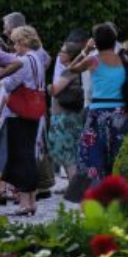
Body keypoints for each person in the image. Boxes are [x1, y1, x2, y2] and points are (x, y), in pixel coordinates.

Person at [67, 23, 128, 190]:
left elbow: (70, 69)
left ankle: (97, 189)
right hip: (121, 111)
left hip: (97, 110)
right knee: (119, 151)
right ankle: (120, 188)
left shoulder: (92, 60)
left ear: (95, 42)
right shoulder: (125, 60)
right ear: (114, 41)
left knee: (94, 152)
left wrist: (85, 51)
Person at [0, 26, 46, 216]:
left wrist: (1, 77)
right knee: (29, 155)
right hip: (34, 110)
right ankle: (31, 200)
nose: (14, 46)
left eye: (15, 42)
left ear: (23, 42)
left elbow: (9, 83)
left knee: (21, 156)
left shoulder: (23, 61)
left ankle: (25, 202)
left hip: (19, 112)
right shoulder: (37, 58)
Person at [47, 34, 86, 192]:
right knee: (69, 150)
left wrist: (48, 87)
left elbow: (55, 90)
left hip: (64, 115)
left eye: (62, 52)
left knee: (68, 152)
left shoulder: (69, 72)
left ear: (70, 56)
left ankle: (74, 186)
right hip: (72, 114)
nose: (59, 54)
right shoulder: (79, 70)